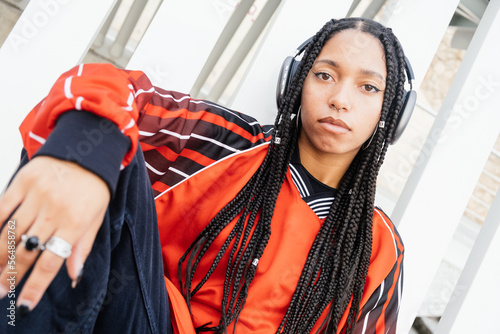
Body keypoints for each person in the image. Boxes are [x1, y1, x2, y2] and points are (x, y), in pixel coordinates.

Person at [0, 17, 409, 333]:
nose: (340, 99)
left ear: (394, 112)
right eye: (324, 75)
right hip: (139, 321)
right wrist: (77, 163)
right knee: (99, 142)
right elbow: (111, 89)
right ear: (296, 83)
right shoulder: (222, 141)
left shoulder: (378, 247)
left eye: (368, 88)